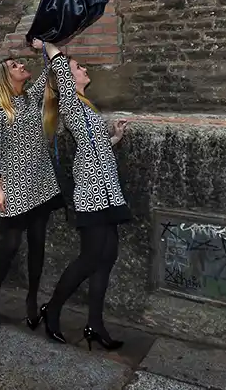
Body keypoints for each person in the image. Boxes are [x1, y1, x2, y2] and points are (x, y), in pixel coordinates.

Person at [37, 39, 130, 350]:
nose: (84, 69)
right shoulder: (71, 105)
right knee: (91, 257)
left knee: (107, 258)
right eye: (79, 67)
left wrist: (113, 138)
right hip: (92, 194)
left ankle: (95, 324)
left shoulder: (86, 108)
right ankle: (52, 308)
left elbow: (94, 149)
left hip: (109, 192)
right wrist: (50, 46)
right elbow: (60, 71)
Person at [0, 53, 64, 329]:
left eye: (19, 63)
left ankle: (32, 299)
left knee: (38, 244)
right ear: (5, 78)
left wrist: (47, 44)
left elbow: (53, 65)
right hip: (14, 187)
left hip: (41, 183)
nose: (21, 66)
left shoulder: (32, 97)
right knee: (10, 244)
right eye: (14, 66)